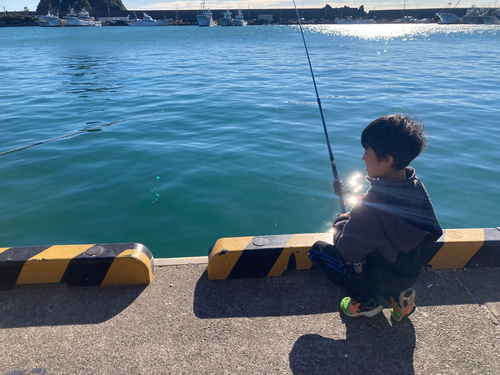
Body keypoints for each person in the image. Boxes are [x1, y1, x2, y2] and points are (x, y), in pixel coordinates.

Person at [309, 113, 442, 322]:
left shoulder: (367, 211)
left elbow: (347, 252)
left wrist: (342, 221)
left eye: (366, 151)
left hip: (378, 277)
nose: (363, 158)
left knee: (318, 250)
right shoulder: (415, 185)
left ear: (387, 160)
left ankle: (364, 302)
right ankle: (399, 299)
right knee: (379, 251)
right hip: (408, 272)